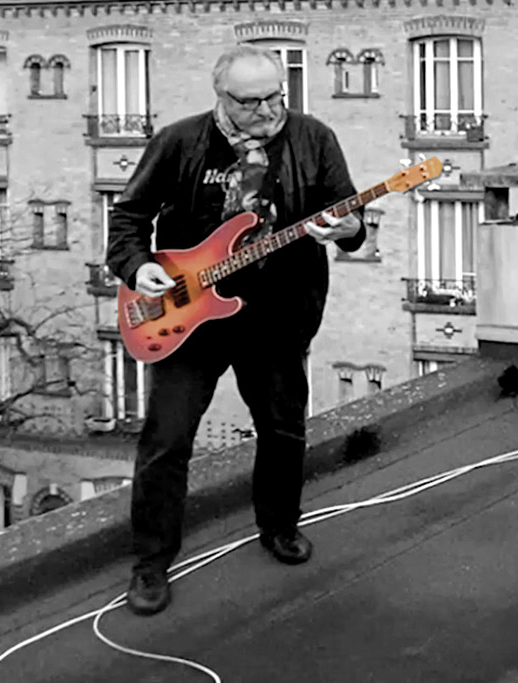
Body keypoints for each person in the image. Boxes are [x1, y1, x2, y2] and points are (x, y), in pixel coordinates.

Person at [110, 46, 368, 617]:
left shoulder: (314, 138)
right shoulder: (180, 141)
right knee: (167, 440)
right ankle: (150, 562)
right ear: (221, 96)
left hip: (278, 314)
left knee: (282, 430)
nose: (269, 110)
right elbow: (128, 217)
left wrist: (349, 227)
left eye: (277, 96)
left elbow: (348, 219)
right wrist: (136, 267)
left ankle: (279, 526)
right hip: (187, 318)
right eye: (252, 102)